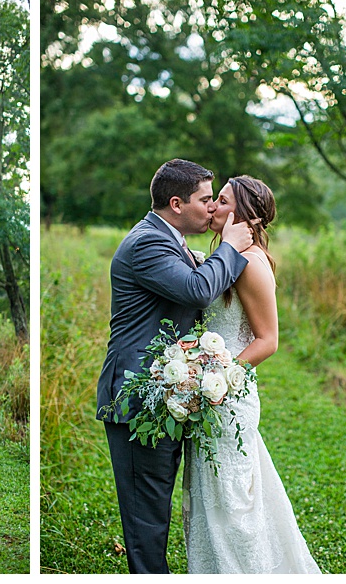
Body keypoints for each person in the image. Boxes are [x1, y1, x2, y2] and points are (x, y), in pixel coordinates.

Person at [96, 158, 256, 574]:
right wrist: (231, 248)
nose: (211, 207)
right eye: (206, 199)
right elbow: (198, 291)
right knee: (146, 516)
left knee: (157, 504)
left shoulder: (172, 240)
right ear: (176, 203)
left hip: (166, 394)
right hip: (136, 398)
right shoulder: (147, 243)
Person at [182, 175, 320, 573]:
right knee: (210, 497)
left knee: (233, 502)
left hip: (227, 398)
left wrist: (219, 377)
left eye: (221, 202)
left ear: (242, 215)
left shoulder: (252, 263)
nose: (212, 207)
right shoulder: (226, 257)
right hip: (210, 392)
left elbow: (268, 339)